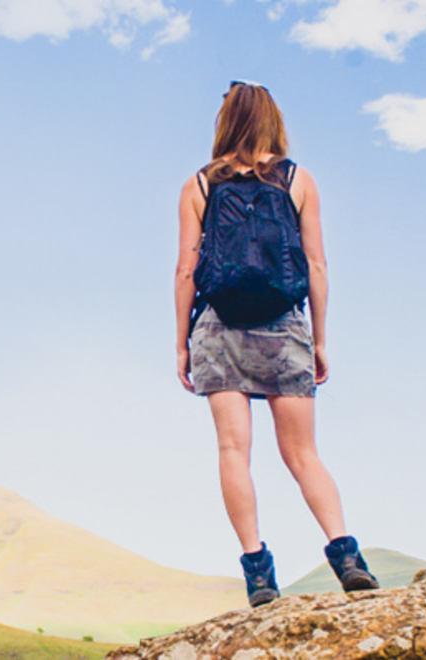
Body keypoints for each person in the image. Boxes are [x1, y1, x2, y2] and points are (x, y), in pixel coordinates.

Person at [174, 80, 379, 607]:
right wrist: (320, 339)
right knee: (303, 454)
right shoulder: (298, 180)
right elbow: (316, 265)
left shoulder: (198, 185)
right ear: (272, 120)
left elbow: (185, 270)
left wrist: (181, 344)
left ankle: (258, 574)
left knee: (233, 451)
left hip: (218, 329)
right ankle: (346, 557)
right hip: (284, 326)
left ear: (225, 122)